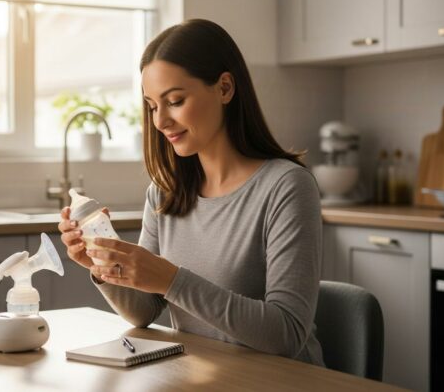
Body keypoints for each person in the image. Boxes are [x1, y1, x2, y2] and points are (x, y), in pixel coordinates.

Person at [58, 18, 324, 366]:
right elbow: (144, 311)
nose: (160, 121)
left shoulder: (286, 187)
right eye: (153, 106)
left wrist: (171, 280)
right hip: (204, 376)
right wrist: (103, 266)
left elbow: (286, 334)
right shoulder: (165, 193)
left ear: (225, 88)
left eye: (176, 100)